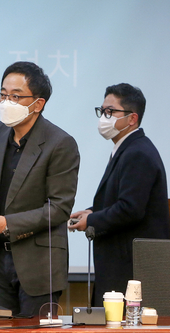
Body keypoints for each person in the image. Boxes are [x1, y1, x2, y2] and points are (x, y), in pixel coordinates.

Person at [0, 62, 80, 316]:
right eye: (3, 95)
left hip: (39, 266)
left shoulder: (60, 143)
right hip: (0, 261)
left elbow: (58, 209)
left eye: (15, 96)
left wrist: (6, 224)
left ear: (38, 104)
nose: (6, 102)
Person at [69, 83, 170, 307]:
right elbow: (122, 199)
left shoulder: (138, 153)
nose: (104, 118)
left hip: (132, 271)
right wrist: (92, 212)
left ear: (132, 118)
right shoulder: (127, 149)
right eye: (102, 111)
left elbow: (131, 209)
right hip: (121, 267)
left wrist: (92, 221)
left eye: (110, 112)